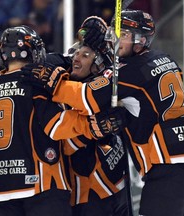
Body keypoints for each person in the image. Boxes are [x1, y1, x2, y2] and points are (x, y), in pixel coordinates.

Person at [26, 9, 184, 216]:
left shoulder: (129, 69)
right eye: (115, 32)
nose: (117, 39)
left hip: (167, 162)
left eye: (125, 35)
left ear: (140, 41)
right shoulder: (165, 59)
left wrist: (53, 82)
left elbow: (86, 96)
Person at [0, 25, 120, 216]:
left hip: (3, 189)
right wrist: (91, 126)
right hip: (42, 184)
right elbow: (55, 126)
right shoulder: (36, 81)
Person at [63, 42, 130, 216]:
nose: (76, 58)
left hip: (118, 186)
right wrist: (91, 131)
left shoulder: (105, 91)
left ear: (97, 66)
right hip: (89, 194)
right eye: (76, 54)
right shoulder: (66, 97)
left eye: (85, 55)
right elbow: (63, 144)